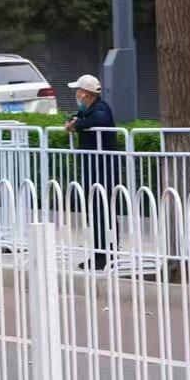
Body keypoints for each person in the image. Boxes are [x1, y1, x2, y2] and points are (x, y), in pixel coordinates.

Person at [66, 73, 121, 271]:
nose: (76, 95)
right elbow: (77, 118)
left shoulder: (101, 109)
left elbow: (100, 121)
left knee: (103, 212)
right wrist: (74, 120)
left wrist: (77, 125)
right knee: (95, 213)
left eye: (78, 92)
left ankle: (107, 255)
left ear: (86, 95)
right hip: (94, 170)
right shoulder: (88, 110)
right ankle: (99, 254)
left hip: (103, 171)